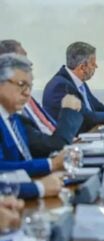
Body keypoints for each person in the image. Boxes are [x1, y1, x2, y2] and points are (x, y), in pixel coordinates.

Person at [0, 40, 84, 157]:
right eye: (22, 60)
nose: (30, 63)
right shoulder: (12, 114)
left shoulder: (20, 112)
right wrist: (50, 165)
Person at [0, 54, 64, 198]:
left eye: (30, 86)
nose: (27, 93)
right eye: (22, 85)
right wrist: (40, 185)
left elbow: (23, 162)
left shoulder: (15, 119)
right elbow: (1, 169)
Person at [42, 41, 104, 131]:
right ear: (82, 67)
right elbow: (87, 117)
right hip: (73, 141)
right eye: (93, 63)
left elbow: (97, 106)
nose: (96, 66)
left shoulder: (78, 81)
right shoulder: (60, 86)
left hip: (88, 134)